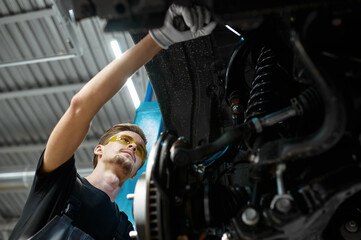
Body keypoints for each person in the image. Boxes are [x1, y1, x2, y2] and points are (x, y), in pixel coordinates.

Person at [9, 3, 216, 240]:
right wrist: (160, 38)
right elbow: (80, 107)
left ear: (136, 172)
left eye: (139, 149)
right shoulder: (58, 183)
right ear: (99, 149)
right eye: (125, 140)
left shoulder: (125, 229)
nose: (132, 147)